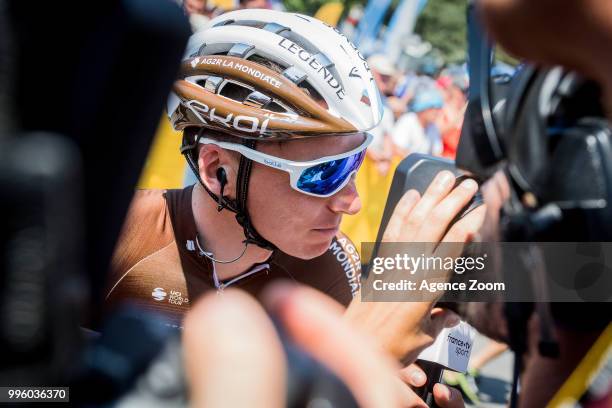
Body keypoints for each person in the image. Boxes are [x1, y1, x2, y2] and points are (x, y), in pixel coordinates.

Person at [391, 86, 445, 157]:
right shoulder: (408, 120)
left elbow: (437, 154)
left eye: (438, 108)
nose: (437, 112)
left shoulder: (433, 127)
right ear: (422, 108)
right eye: (433, 108)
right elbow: (397, 148)